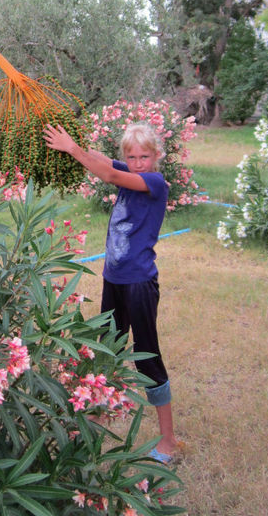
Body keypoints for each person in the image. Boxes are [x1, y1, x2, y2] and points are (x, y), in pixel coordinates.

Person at [43, 119, 180, 463]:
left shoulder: (154, 183)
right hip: (114, 279)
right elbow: (103, 163)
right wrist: (73, 144)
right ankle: (95, 414)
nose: (137, 162)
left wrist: (70, 148)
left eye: (144, 156)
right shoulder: (130, 170)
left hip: (139, 283)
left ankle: (168, 440)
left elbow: (111, 175)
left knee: (147, 355)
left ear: (156, 157)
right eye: (131, 157)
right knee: (105, 349)